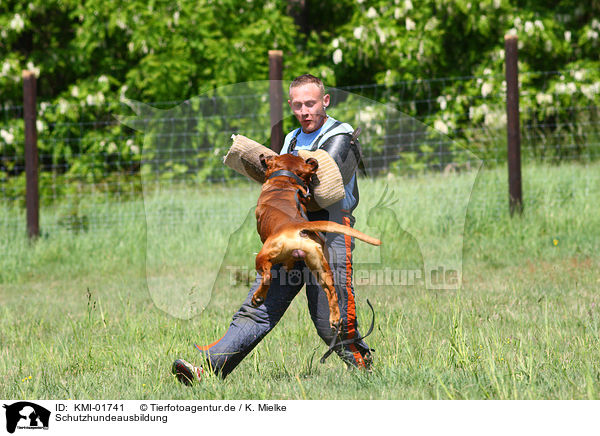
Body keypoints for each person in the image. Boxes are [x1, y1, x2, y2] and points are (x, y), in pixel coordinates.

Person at [172, 74, 372, 384]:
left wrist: (280, 166)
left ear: (325, 101)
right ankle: (206, 371)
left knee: (325, 318)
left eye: (311, 103)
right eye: (298, 105)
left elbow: (326, 183)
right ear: (291, 106)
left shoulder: (341, 135)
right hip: (289, 227)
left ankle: (361, 367)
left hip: (330, 228)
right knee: (258, 306)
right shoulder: (291, 139)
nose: (305, 111)